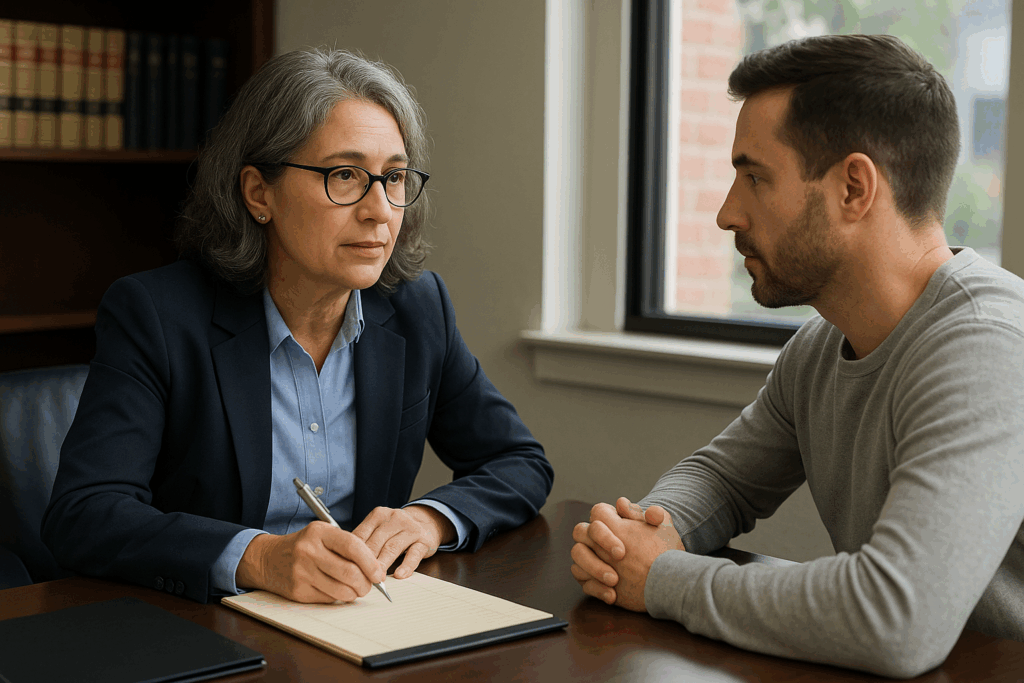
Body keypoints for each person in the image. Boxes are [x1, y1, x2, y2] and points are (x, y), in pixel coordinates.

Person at [570, 34, 1024, 679]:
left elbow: (897, 619)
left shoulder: (989, 347)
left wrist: (663, 578)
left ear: (853, 188)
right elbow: (722, 478)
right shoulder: (820, 346)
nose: (728, 213)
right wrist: (638, 537)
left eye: (755, 177)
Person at [42, 48, 552, 606]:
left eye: (396, 177)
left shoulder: (417, 307)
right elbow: (84, 513)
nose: (380, 209)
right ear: (259, 193)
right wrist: (259, 557)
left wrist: (430, 519)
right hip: (202, 626)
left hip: (357, 622)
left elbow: (519, 461)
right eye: (345, 175)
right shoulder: (157, 314)